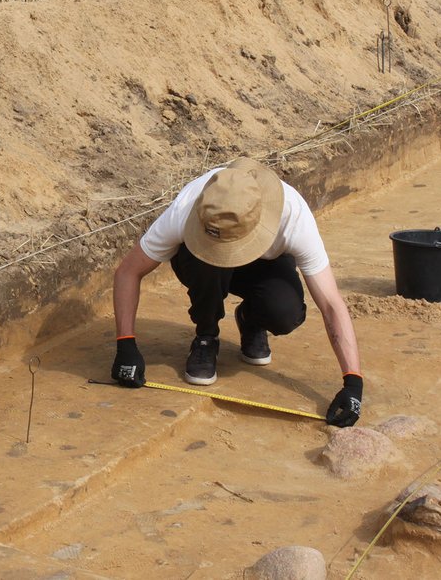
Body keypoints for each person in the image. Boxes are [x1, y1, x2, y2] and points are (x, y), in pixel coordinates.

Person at [109, 157, 363, 427]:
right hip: (202, 265)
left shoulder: (293, 214)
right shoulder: (188, 205)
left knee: (285, 312)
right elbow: (128, 272)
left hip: (264, 267)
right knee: (205, 265)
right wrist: (126, 345)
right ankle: (206, 336)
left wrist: (353, 382)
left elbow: (331, 303)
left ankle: (252, 320)